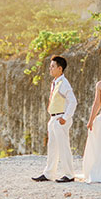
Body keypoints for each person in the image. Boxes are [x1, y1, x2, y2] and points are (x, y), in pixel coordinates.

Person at [32, 55, 77, 183]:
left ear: (60, 68)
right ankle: (49, 173)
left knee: (63, 146)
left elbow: (73, 102)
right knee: (52, 147)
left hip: (60, 118)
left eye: (52, 66)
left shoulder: (64, 83)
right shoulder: (55, 82)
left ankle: (69, 174)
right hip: (54, 118)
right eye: (50, 66)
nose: (50, 69)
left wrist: (65, 117)